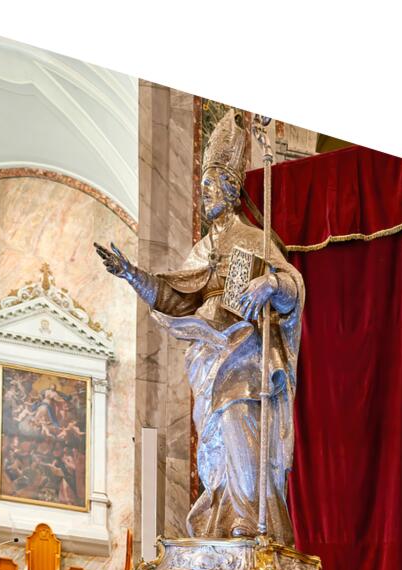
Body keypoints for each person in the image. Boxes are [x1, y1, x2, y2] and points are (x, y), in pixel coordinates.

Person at [95, 109, 304, 545]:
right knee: (214, 438)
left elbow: (293, 290)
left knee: (241, 427)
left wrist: (270, 283)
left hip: (245, 353)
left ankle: (249, 519)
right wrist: (132, 274)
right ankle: (224, 515)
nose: (203, 194)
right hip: (207, 356)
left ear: (229, 189)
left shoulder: (254, 240)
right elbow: (177, 296)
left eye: (210, 186)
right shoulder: (201, 249)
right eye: (202, 186)